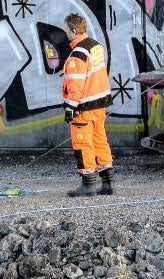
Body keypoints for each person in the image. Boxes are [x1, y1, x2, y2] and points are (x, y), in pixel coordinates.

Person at [62, 13, 114, 197]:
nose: (66, 32)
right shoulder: (94, 46)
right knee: (100, 141)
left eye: (67, 29)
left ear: (73, 30)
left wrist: (70, 107)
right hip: (99, 103)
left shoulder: (78, 53)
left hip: (84, 106)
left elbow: (75, 84)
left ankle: (88, 185)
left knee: (83, 143)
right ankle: (107, 183)